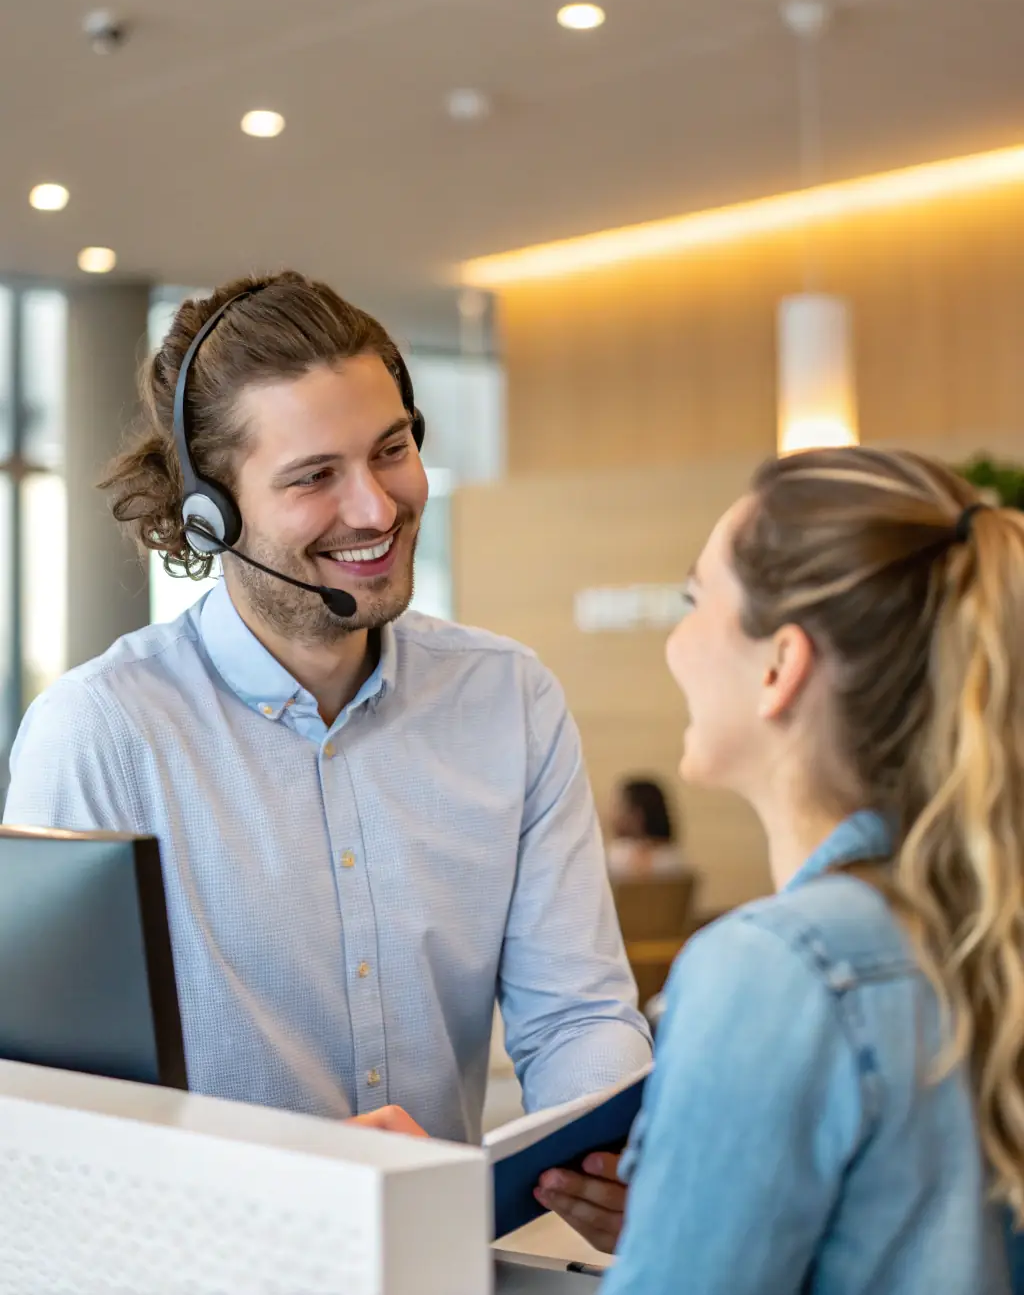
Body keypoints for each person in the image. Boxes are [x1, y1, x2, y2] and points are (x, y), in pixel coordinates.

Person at [3, 272, 650, 1246]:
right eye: (314, 477)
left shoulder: (507, 699)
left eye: (392, 450)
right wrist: (288, 1179)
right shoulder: (102, 731)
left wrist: (615, 1155)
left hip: (433, 1259)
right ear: (210, 512)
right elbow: (52, 1113)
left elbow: (575, 1015)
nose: (377, 507)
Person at [591, 447, 1024, 1291]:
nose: (675, 645)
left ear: (780, 666)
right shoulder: (983, 917)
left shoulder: (777, 967)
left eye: (692, 600)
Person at [605, 777, 683, 877]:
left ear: (637, 815)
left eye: (618, 807)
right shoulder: (673, 857)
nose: (611, 815)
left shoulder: (618, 857)